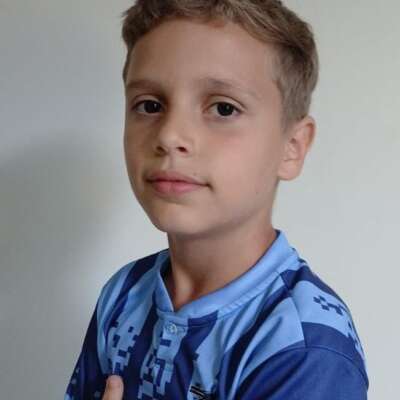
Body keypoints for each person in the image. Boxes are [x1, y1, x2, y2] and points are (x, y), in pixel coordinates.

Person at [64, 1, 369, 399]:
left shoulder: (304, 349)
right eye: (150, 105)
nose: (169, 135)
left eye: (223, 108)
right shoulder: (124, 293)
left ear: (292, 147)